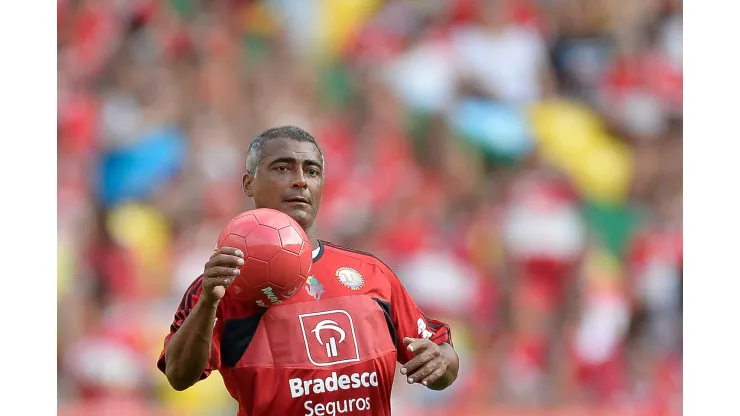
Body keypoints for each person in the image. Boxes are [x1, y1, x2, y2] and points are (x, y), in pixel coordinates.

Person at [158, 125, 459, 416]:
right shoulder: (222, 282)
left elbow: (443, 357)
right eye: (282, 168)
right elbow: (179, 376)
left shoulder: (371, 273)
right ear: (249, 183)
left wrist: (440, 362)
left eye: (311, 171)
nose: (300, 180)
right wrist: (210, 301)